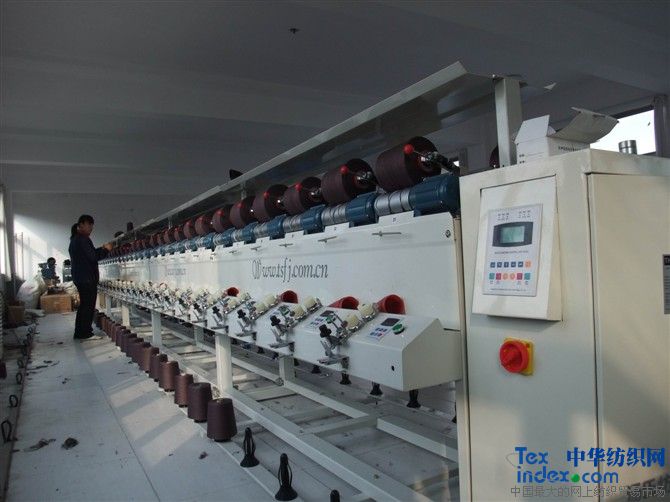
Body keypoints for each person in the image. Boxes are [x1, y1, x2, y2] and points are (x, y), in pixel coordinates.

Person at [68, 215, 113, 340]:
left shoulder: (75, 239)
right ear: (81, 225)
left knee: (84, 306)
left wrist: (102, 249)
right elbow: (93, 257)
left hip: (81, 277)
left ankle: (79, 332)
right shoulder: (83, 239)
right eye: (89, 225)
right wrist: (106, 250)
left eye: (92, 225)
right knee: (88, 306)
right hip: (87, 278)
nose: (91, 228)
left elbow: (89, 253)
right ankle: (85, 333)